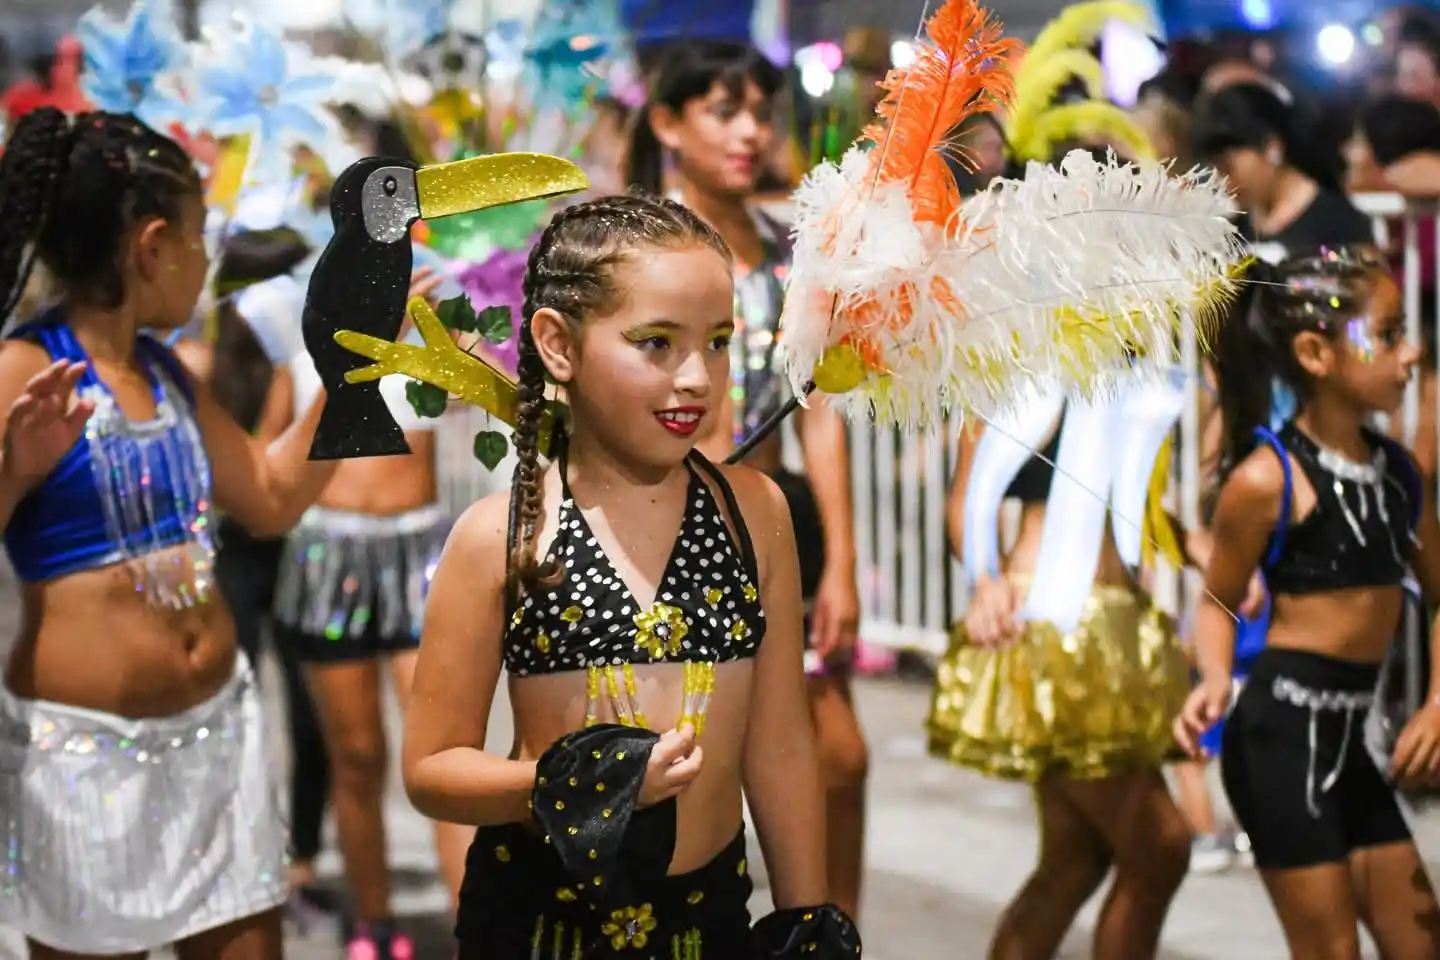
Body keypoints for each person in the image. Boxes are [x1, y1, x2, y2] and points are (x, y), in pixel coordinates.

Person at [401, 192, 858, 957]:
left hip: (709, 923)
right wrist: (574, 785)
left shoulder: (757, 516)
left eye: (717, 341)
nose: (697, 377)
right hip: (543, 928)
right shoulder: (501, 536)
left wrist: (807, 920)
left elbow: (780, 744)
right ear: (557, 344)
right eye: (655, 343)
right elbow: (429, 769)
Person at [0, 108, 339, 959]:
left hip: (217, 744)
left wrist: (354, 376)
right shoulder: (22, 370)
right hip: (81, 768)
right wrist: (16, 467)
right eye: (199, 236)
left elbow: (268, 496)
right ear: (151, 246)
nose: (207, 259)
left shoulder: (167, 372)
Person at [625, 42, 869, 921]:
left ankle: (828, 932)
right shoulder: (635, 246)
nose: (750, 132)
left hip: (773, 518)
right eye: (724, 111)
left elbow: (821, 412)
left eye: (760, 112)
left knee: (838, 757)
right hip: (656, 523)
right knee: (683, 766)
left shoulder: (791, 251)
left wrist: (840, 557)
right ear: (666, 122)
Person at [1176, 249, 1440, 957]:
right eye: (1387, 335)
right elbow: (1215, 602)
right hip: (1277, 745)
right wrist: (1211, 679)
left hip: (1348, 744)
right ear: (1315, 353)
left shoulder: (1399, 476)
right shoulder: (1267, 480)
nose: (1411, 351)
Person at [272, 242, 459, 955]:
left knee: (442, 751)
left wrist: (447, 333)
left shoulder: (437, 333)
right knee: (355, 755)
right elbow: (266, 468)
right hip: (331, 556)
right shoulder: (301, 338)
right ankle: (375, 921)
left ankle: (477, 924)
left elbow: (509, 394)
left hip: (420, 557)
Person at [170, 227, 338, 922]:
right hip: (231, 550)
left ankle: (300, 860)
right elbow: (246, 476)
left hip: (299, 546)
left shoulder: (295, 359)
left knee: (311, 713)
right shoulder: (195, 363)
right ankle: (231, 852)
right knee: (232, 708)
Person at [1192, 82, 1374, 264]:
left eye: (1227, 167)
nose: (1219, 181)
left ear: (1272, 148)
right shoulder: (1232, 230)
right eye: (1214, 169)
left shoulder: (1341, 226)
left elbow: (1370, 287)